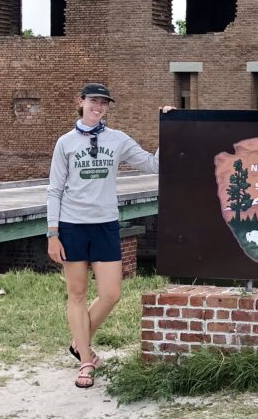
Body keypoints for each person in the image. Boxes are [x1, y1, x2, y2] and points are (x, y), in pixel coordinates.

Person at [46, 83, 171, 389]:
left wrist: (167, 127)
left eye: (104, 103)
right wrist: (52, 233)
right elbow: (54, 189)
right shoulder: (65, 143)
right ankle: (86, 361)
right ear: (81, 102)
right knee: (76, 294)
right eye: (93, 101)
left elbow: (153, 165)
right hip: (72, 225)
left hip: (105, 225)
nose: (98, 107)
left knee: (111, 293)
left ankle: (79, 343)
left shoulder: (117, 140)